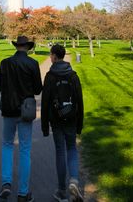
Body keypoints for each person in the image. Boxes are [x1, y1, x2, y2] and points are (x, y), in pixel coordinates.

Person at [0, 36, 43, 202]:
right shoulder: (32, 64)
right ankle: (23, 193)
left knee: (7, 145)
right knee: (24, 149)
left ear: (17, 46)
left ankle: (6, 183)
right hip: (26, 110)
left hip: (8, 109)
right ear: (28, 47)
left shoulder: (5, 63)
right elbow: (38, 89)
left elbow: (0, 86)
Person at [41, 44, 84, 202]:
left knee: (60, 151)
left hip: (56, 120)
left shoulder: (50, 76)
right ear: (64, 55)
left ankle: (61, 191)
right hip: (72, 119)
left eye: (50, 55)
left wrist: (44, 126)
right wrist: (80, 123)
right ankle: (74, 180)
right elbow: (79, 101)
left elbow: (45, 103)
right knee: (72, 148)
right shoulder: (73, 76)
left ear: (53, 56)